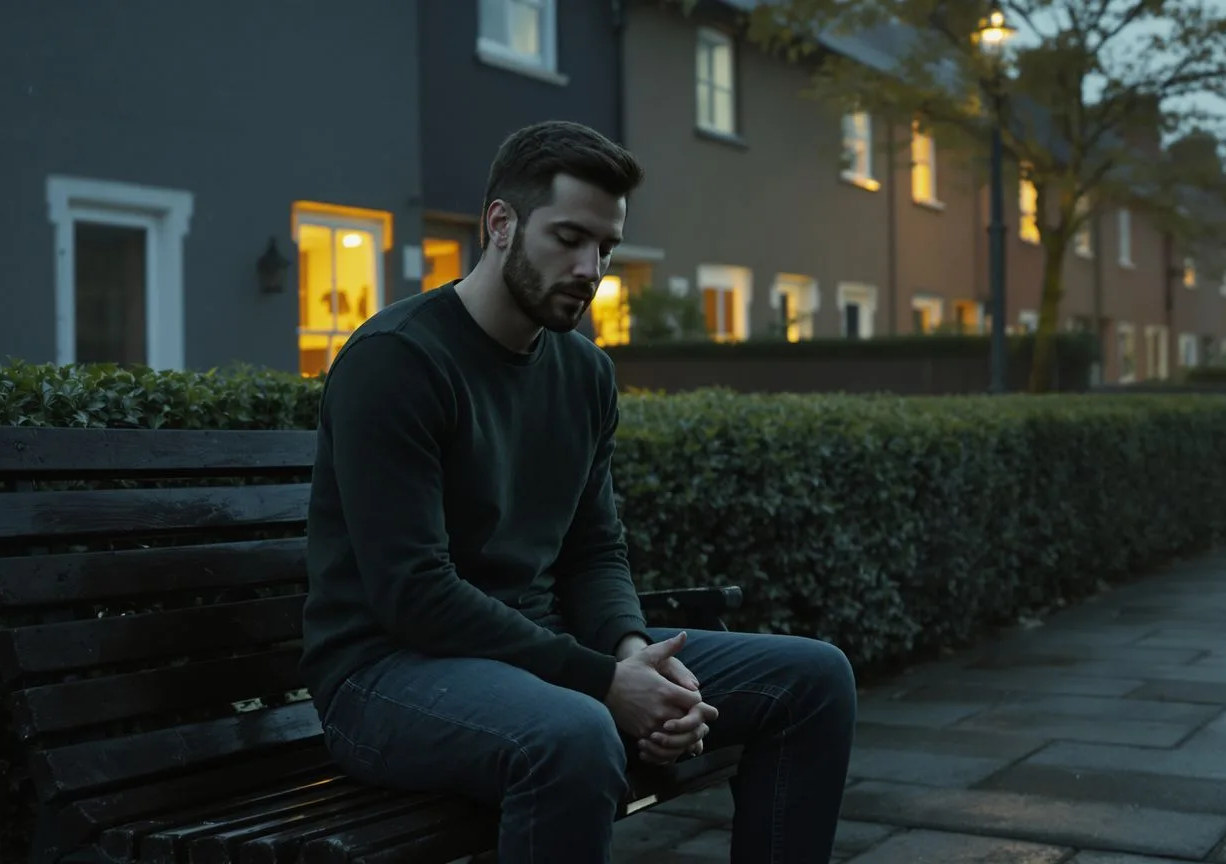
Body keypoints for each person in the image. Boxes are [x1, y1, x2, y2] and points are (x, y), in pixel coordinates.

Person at [300, 119, 857, 863]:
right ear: (501, 224)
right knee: (574, 734)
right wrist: (606, 684)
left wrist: (636, 656)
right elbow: (412, 593)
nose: (590, 267)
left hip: (544, 655)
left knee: (814, 679)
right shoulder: (396, 362)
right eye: (568, 237)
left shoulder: (584, 373)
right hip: (386, 678)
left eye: (605, 247)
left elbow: (594, 550)